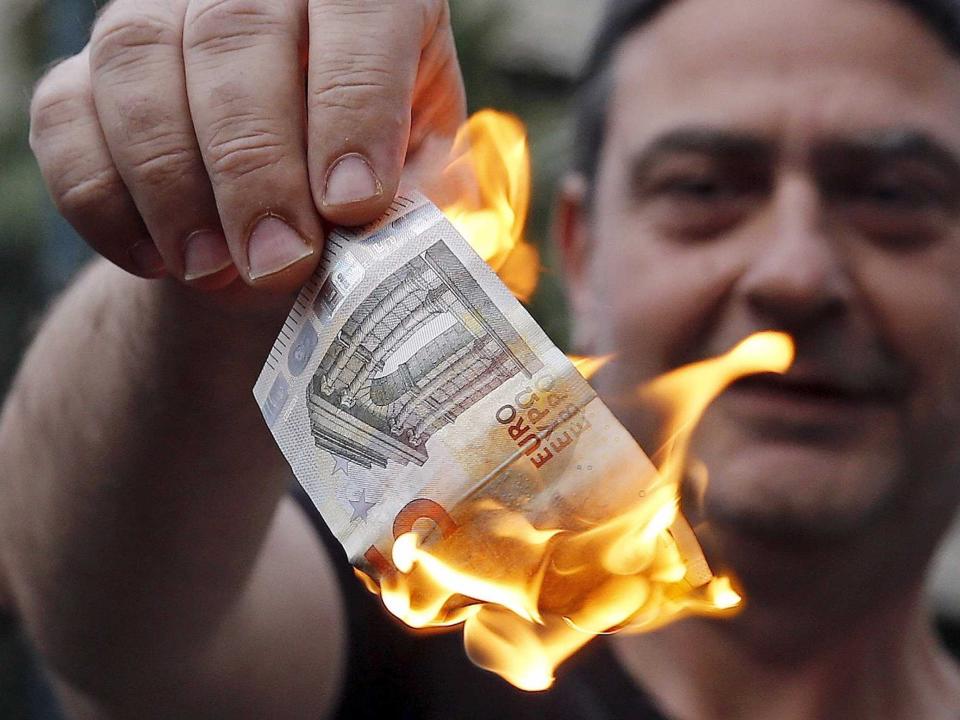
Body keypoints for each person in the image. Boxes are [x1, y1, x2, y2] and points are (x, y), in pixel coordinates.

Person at [3, 0, 960, 716]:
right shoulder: (401, 633)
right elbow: (114, 627)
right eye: (704, 186)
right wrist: (222, 253)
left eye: (895, 194)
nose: (795, 274)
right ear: (581, 253)